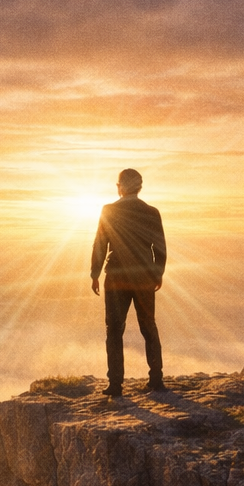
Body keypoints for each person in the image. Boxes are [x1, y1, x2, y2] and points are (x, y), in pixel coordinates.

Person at [90, 168, 166, 397]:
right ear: (139, 187)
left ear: (120, 187)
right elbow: (159, 247)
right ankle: (156, 379)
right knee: (148, 326)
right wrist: (157, 274)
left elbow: (100, 244)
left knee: (114, 329)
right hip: (143, 277)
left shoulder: (109, 210)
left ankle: (115, 384)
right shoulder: (151, 212)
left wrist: (95, 273)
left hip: (117, 277)